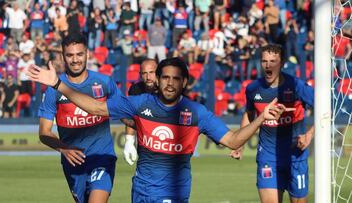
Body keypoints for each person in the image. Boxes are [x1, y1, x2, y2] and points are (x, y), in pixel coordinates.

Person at [28, 57, 291, 202]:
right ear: (157, 79)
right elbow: (97, 108)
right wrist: (58, 85)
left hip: (173, 193)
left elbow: (233, 140)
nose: (169, 83)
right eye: (165, 77)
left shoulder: (196, 113)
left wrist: (260, 119)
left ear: (184, 82)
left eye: (176, 78)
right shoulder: (140, 103)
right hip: (140, 191)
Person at [37, 34, 120, 203]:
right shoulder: (53, 90)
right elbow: (44, 132)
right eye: (70, 55)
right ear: (63, 57)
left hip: (102, 157)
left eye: (79, 54)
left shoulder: (104, 82)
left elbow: (126, 113)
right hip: (73, 164)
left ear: (87, 54)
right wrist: (64, 149)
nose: (75, 60)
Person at [230, 44, 314, 203]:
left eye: (273, 61)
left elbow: (325, 108)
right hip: (268, 156)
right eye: (264, 61)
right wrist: (239, 143)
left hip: (295, 156)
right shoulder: (253, 89)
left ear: (281, 64)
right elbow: (249, 114)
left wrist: (309, 135)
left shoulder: (296, 86)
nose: (268, 65)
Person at [124, 59, 158, 166]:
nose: (148, 77)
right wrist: (129, 141)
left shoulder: (167, 89)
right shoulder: (135, 90)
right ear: (140, 75)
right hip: (144, 145)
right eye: (144, 73)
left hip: (165, 142)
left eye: (151, 72)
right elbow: (130, 115)